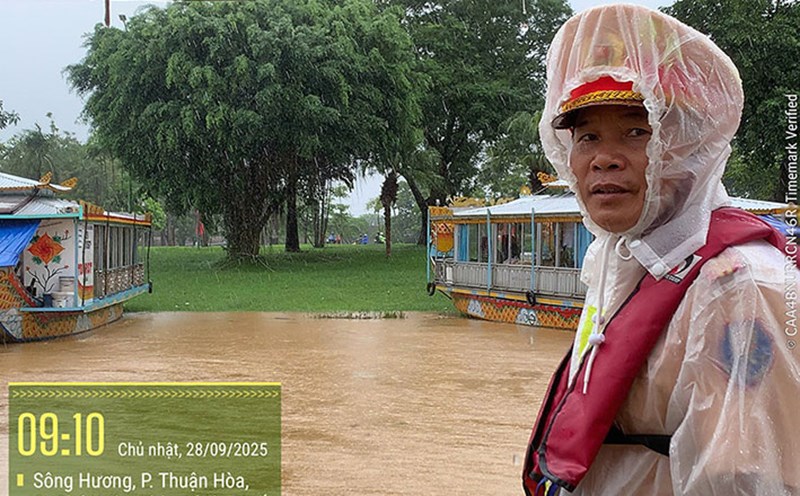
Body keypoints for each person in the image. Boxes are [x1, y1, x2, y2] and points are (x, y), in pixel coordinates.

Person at [522, 4, 800, 496]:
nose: (603, 159)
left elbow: (746, 479)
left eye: (636, 131)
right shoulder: (620, 263)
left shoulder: (737, 285)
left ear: (686, 144)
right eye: (587, 137)